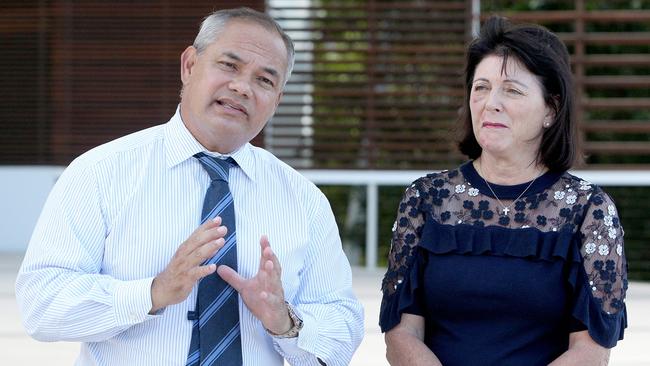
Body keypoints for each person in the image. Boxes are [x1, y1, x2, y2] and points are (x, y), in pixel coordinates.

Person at [16, 7, 363, 366]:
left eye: (265, 80)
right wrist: (153, 292)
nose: (242, 87)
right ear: (189, 66)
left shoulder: (304, 200)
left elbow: (341, 336)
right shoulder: (100, 173)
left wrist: (284, 321)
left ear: (276, 101)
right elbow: (41, 306)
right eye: (229, 65)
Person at [380, 16, 627, 366]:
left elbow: (591, 351)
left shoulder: (590, 210)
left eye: (511, 90)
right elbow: (400, 333)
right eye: (481, 87)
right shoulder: (425, 199)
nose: (490, 102)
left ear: (551, 110)